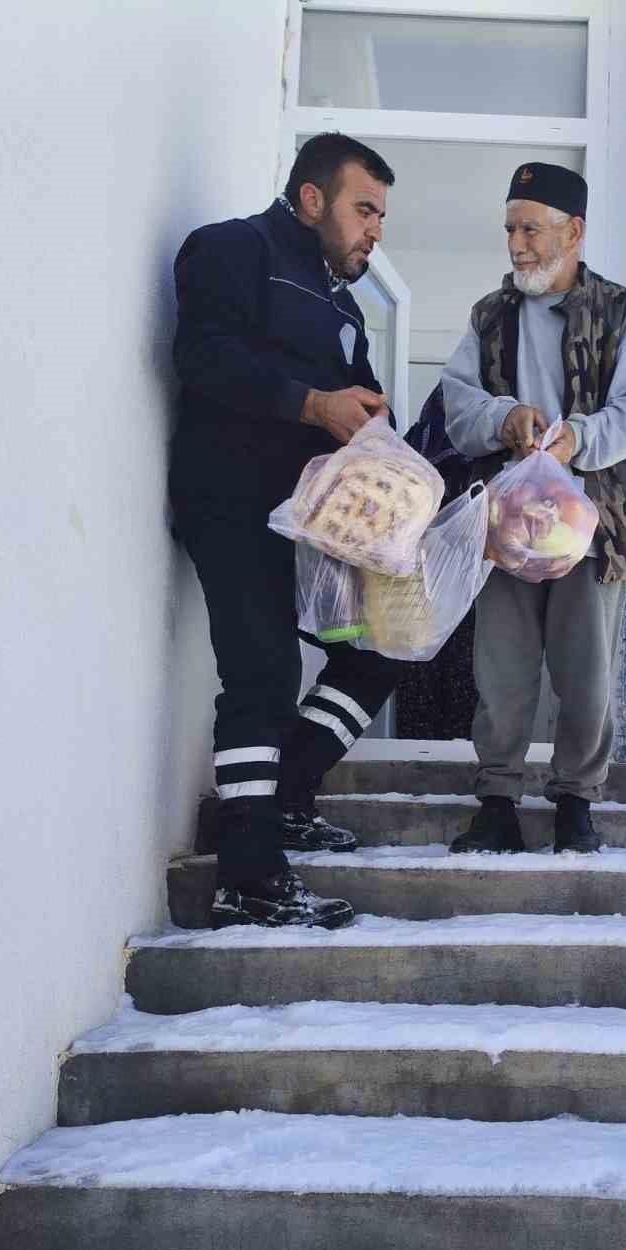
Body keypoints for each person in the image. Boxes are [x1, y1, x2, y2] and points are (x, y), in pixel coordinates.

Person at [170, 133, 403, 928]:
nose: (375, 229)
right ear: (311, 200)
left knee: (376, 651)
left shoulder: (344, 307)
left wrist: (381, 432)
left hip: (313, 526)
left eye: (381, 214)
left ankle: (288, 797)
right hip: (230, 503)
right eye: (363, 209)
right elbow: (202, 357)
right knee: (264, 674)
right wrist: (312, 405)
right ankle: (247, 874)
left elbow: (358, 399)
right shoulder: (231, 248)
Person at [440, 162, 626, 855]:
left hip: (592, 524)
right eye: (510, 228)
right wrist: (504, 418)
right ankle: (499, 800)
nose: (516, 244)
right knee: (500, 665)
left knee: (585, 669)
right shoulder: (489, 315)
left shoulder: (625, 312)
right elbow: (457, 402)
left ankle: (576, 802)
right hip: (507, 520)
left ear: (574, 232)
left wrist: (580, 437)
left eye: (530, 228)